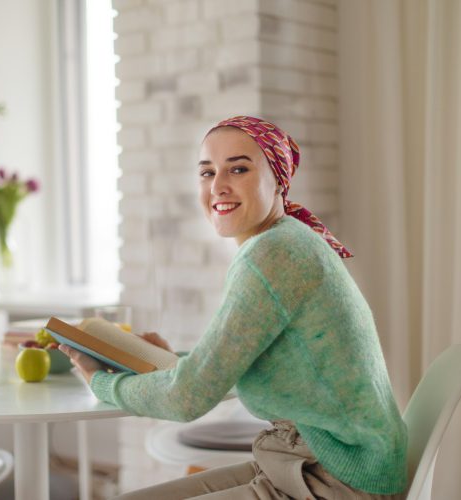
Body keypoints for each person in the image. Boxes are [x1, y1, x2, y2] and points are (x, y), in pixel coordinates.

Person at [60, 116, 407, 499]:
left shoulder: (273, 253)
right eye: (207, 173)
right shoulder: (285, 239)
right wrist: (173, 360)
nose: (218, 187)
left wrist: (102, 382)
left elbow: (188, 397)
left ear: (278, 180)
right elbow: (225, 368)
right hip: (314, 464)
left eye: (238, 169)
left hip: (334, 481)